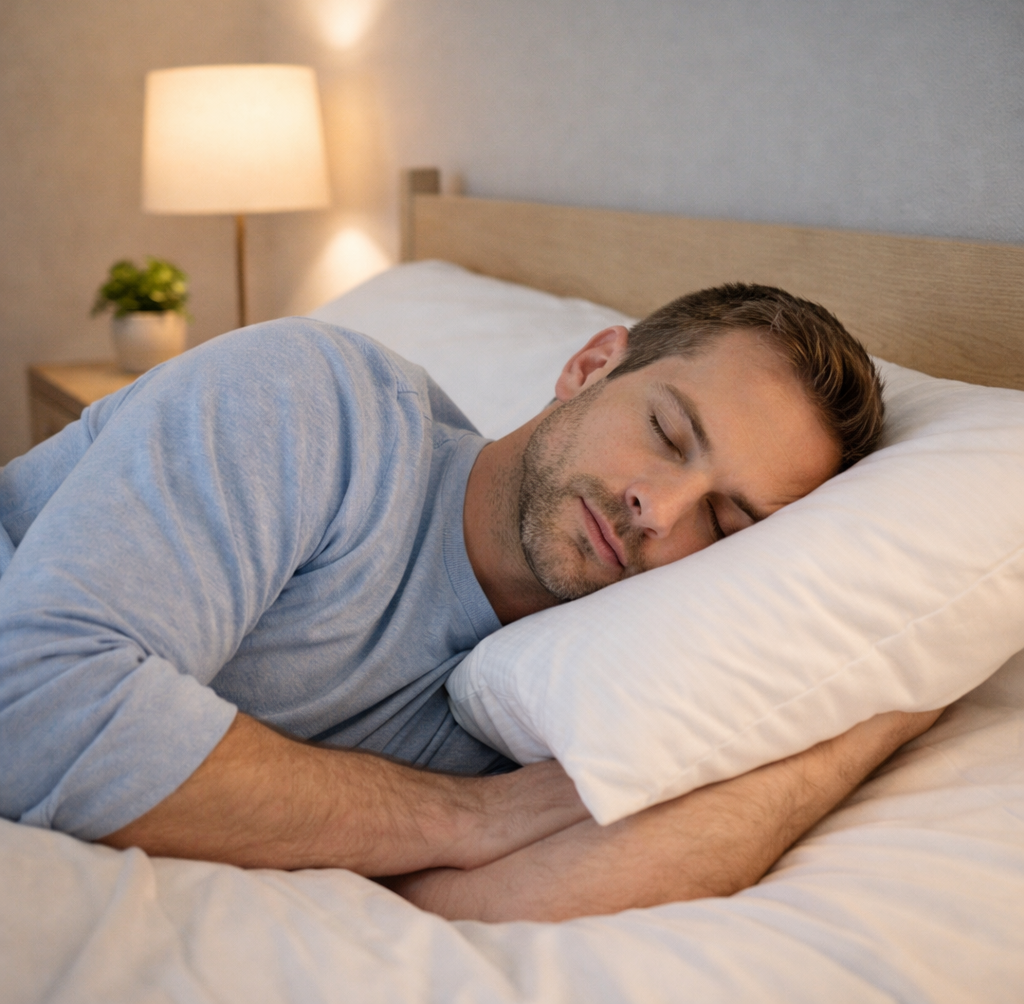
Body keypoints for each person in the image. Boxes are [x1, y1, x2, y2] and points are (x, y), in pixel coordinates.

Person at [0, 282, 937, 922]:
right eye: (666, 430)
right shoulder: (318, 403)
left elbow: (508, 910)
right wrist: (467, 820)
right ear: (590, 367)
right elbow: (36, 705)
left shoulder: (570, 690)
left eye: (727, 523)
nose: (663, 508)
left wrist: (892, 702)